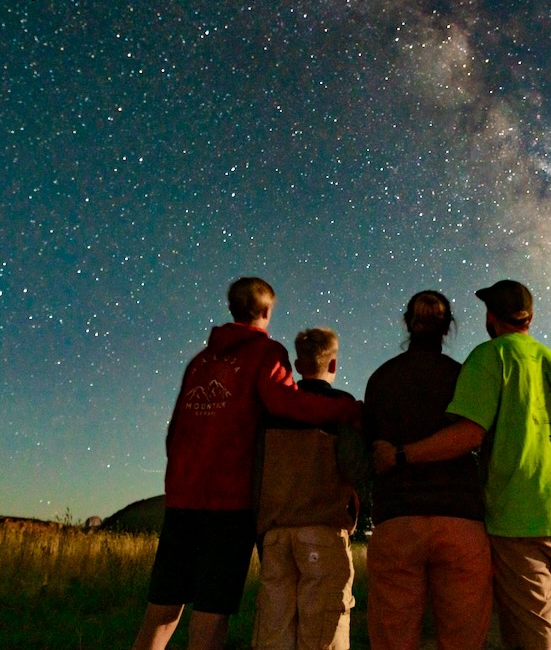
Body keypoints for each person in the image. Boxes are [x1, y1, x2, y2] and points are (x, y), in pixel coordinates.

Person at [373, 280, 551, 650]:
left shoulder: (490, 356)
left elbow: (469, 434)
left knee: (536, 634)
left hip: (518, 515)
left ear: (491, 316)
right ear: (530, 317)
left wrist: (401, 455)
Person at [132, 278, 362, 650]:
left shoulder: (200, 362)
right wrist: (349, 410)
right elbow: (286, 402)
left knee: (162, 607)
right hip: (230, 503)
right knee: (211, 610)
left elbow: (175, 431)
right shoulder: (265, 353)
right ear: (267, 312)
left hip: (182, 500)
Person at [363, 290, 492, 650]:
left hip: (397, 520)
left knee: (393, 640)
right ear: (447, 328)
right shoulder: (464, 375)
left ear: (407, 322)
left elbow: (369, 449)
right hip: (460, 520)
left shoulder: (381, 378)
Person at [253, 327, 362, 650]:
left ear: (297, 366)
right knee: (323, 632)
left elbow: (257, 470)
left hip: (276, 533)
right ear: (333, 366)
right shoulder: (342, 407)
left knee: (275, 630)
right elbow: (355, 467)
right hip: (322, 530)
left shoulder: (273, 410)